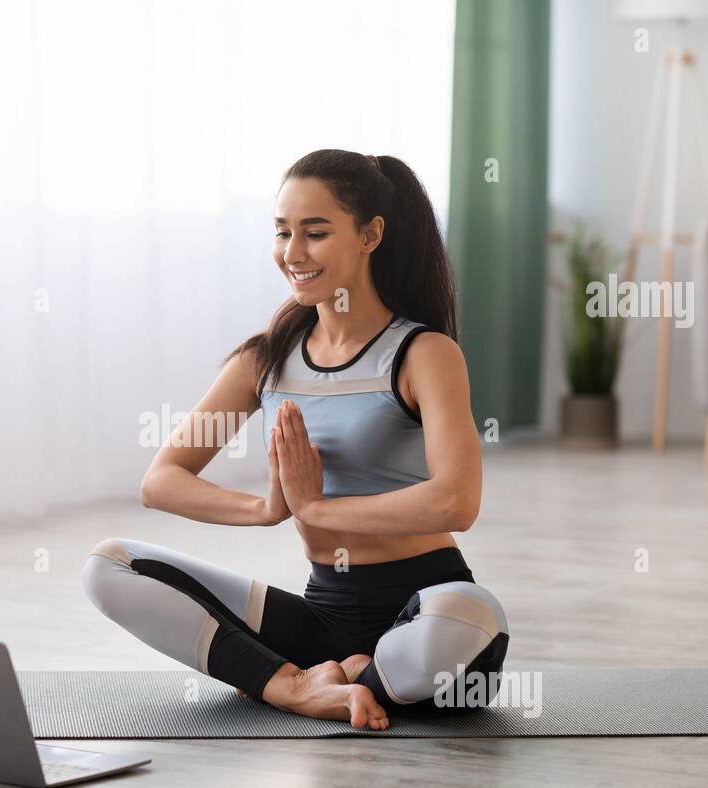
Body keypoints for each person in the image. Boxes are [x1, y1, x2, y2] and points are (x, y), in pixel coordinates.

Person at [82, 149, 509, 730]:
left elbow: (457, 502)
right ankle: (295, 685)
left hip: (424, 609)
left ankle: (357, 676)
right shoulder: (265, 362)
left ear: (370, 235)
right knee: (109, 566)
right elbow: (161, 481)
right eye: (282, 232)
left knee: (470, 614)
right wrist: (266, 509)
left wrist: (317, 506)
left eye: (315, 232)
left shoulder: (423, 355)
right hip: (320, 618)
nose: (293, 253)